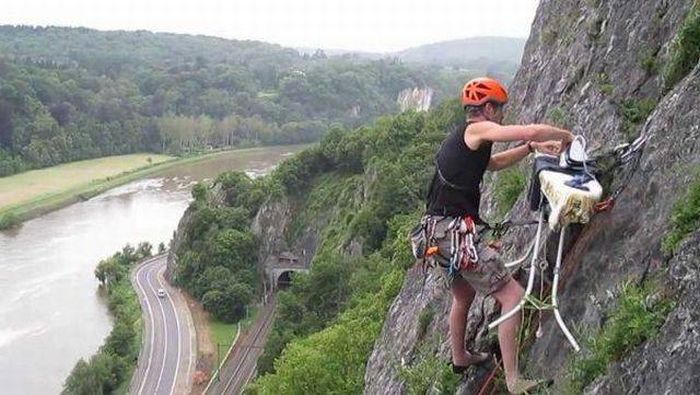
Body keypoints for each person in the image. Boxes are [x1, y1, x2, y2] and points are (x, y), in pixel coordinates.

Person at [424, 77, 574, 394]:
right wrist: (567, 137)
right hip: (454, 233)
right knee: (513, 296)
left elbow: (491, 164)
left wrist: (530, 149)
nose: (503, 114)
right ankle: (514, 380)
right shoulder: (477, 129)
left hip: (438, 233)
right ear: (488, 108)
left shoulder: (470, 140)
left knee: (463, 295)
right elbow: (531, 129)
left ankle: (460, 357)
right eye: (500, 109)